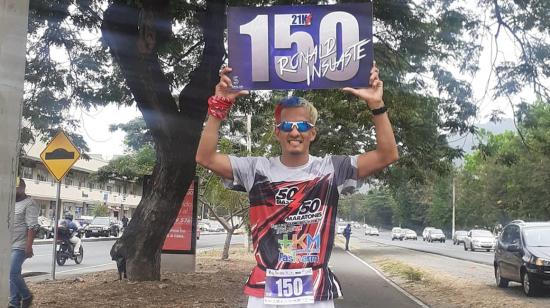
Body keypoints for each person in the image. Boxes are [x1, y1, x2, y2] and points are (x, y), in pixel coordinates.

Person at [196, 65, 398, 307]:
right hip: (265, 291)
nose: (294, 131)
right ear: (276, 133)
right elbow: (205, 158)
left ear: (312, 133)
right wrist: (219, 107)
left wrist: (377, 105)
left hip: (315, 291)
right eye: (286, 126)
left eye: (302, 126)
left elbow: (387, 155)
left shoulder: (332, 169)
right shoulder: (256, 169)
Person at [9, 178, 40, 308]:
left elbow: (32, 226)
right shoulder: (10, 202)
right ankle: (14, 303)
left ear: (23, 188)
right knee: (11, 275)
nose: (14, 190)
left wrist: (29, 246)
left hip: (20, 245)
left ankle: (27, 296)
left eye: (17, 187)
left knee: (12, 272)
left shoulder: (29, 203)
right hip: (8, 244)